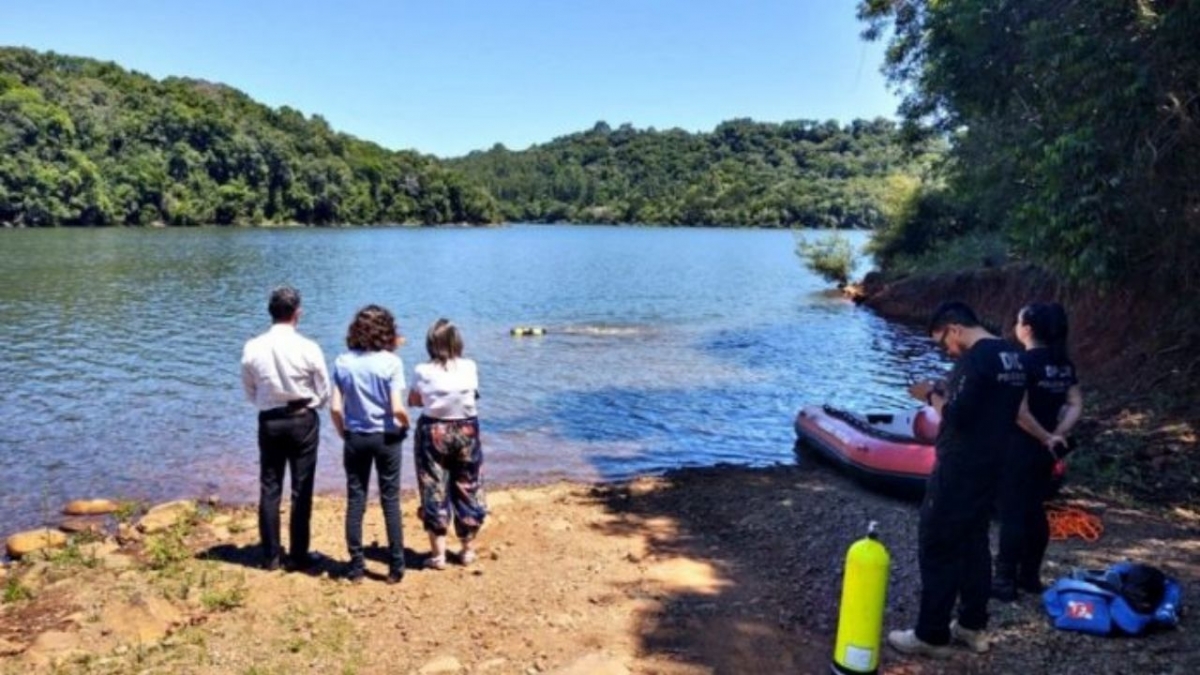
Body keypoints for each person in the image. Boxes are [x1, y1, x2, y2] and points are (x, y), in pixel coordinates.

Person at [888, 301, 1027, 657]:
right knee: (974, 544)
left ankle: (930, 634)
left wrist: (930, 396)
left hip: (960, 466)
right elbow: (993, 406)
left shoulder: (975, 358)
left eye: (944, 342)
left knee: (937, 543)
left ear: (955, 329)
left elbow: (957, 417)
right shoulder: (1012, 356)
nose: (947, 351)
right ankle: (971, 625)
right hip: (993, 463)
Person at [993, 302, 1083, 600]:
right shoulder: (1063, 363)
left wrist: (1045, 436)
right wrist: (1057, 435)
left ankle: (1004, 581)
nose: (1016, 326)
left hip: (1018, 448)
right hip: (1047, 452)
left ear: (1027, 329)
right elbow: (1075, 403)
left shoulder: (1021, 362)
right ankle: (1029, 576)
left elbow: (1020, 412)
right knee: (1034, 509)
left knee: (1013, 513)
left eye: (1018, 321)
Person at [241, 286, 330, 571]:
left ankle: (270, 556)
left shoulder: (253, 346)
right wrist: (313, 404)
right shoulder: (309, 347)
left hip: (270, 420)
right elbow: (324, 390)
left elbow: (249, 389)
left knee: (270, 486)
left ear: (270, 312)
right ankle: (298, 554)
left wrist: (267, 403)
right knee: (302, 488)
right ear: (297, 313)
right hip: (303, 417)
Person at [330, 305, 411, 584]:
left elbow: (335, 408)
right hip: (386, 437)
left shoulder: (343, 362)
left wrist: (344, 433)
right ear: (386, 331)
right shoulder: (392, 363)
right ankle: (396, 567)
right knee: (390, 500)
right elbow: (397, 408)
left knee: (356, 500)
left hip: (355, 437)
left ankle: (356, 567)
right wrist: (405, 425)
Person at [407, 319, 487, 569]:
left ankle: (438, 555)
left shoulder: (422, 370)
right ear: (457, 342)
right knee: (468, 485)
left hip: (434, 430)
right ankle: (467, 551)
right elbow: (473, 396)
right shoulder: (470, 366)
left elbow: (414, 401)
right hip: (467, 429)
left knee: (433, 487)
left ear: (431, 344)